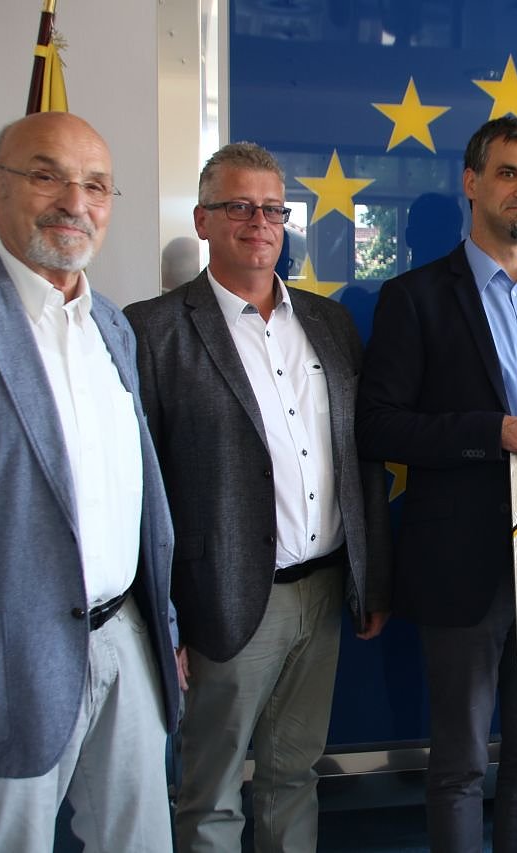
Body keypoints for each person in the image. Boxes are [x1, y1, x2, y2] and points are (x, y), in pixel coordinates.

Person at [0, 111, 179, 851]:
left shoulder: (111, 325)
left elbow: (135, 498)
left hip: (125, 642)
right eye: (45, 175)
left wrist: (164, 631)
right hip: (0, 665)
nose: (73, 201)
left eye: (95, 185)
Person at [124, 142, 392, 853]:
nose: (259, 223)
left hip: (323, 592)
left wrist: (372, 578)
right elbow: (139, 491)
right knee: (210, 790)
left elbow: (360, 457)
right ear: (203, 220)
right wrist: (164, 616)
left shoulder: (329, 324)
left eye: (273, 209)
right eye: (239, 207)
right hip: (221, 598)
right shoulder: (153, 329)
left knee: (293, 774)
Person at [356, 116, 517, 852]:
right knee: (461, 762)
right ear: (471, 183)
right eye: (508, 172)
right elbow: (378, 426)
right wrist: (488, 430)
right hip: (461, 566)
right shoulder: (414, 297)